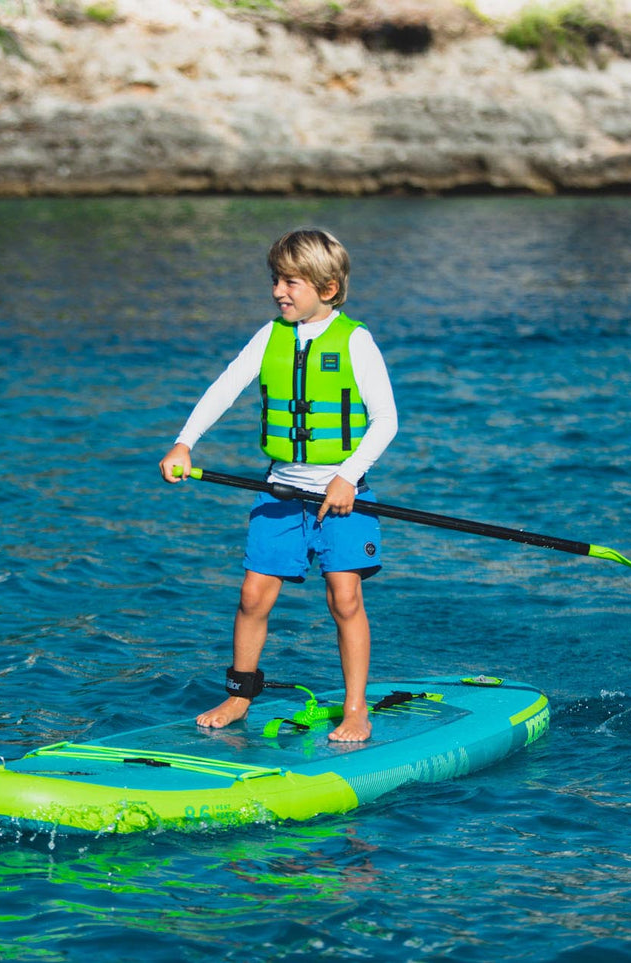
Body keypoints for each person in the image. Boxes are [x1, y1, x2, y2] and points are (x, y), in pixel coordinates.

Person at [159, 228, 398, 742]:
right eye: (275, 280)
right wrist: (184, 442)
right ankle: (240, 694)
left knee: (344, 598)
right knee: (252, 596)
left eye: (291, 282)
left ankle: (356, 708)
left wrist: (346, 476)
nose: (278, 291)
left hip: (342, 497)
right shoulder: (269, 337)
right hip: (280, 494)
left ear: (328, 288)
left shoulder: (356, 340)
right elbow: (224, 388)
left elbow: (386, 420)